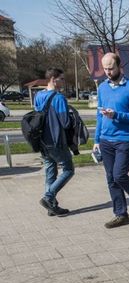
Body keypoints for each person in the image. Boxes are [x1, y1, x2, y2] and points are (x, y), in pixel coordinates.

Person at [93, 52, 129, 229]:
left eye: (111, 68)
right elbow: (99, 116)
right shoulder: (102, 88)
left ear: (119, 66)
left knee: (119, 174)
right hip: (106, 139)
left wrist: (117, 115)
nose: (108, 72)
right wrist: (97, 139)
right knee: (111, 178)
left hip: (126, 138)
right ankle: (120, 214)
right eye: (105, 69)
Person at [35, 67, 74, 217]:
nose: (63, 81)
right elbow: (65, 123)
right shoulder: (59, 98)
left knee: (50, 173)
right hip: (56, 140)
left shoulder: (38, 95)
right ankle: (48, 197)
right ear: (53, 79)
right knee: (69, 170)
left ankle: (52, 207)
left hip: (42, 141)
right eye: (61, 79)